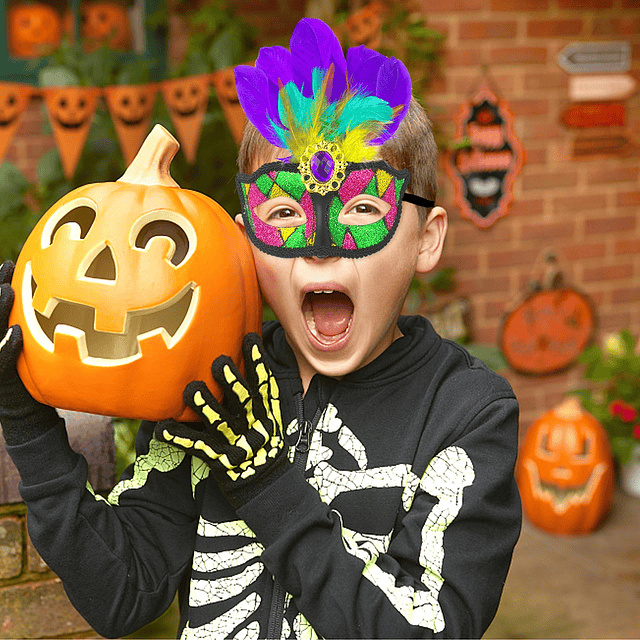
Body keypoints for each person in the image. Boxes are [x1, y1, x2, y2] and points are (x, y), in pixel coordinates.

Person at [0, 18, 520, 639]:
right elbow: (122, 595)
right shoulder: (214, 383)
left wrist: (271, 488)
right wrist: (26, 420)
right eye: (284, 215)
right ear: (247, 250)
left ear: (426, 239)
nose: (321, 251)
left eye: (360, 208)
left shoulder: (466, 413)